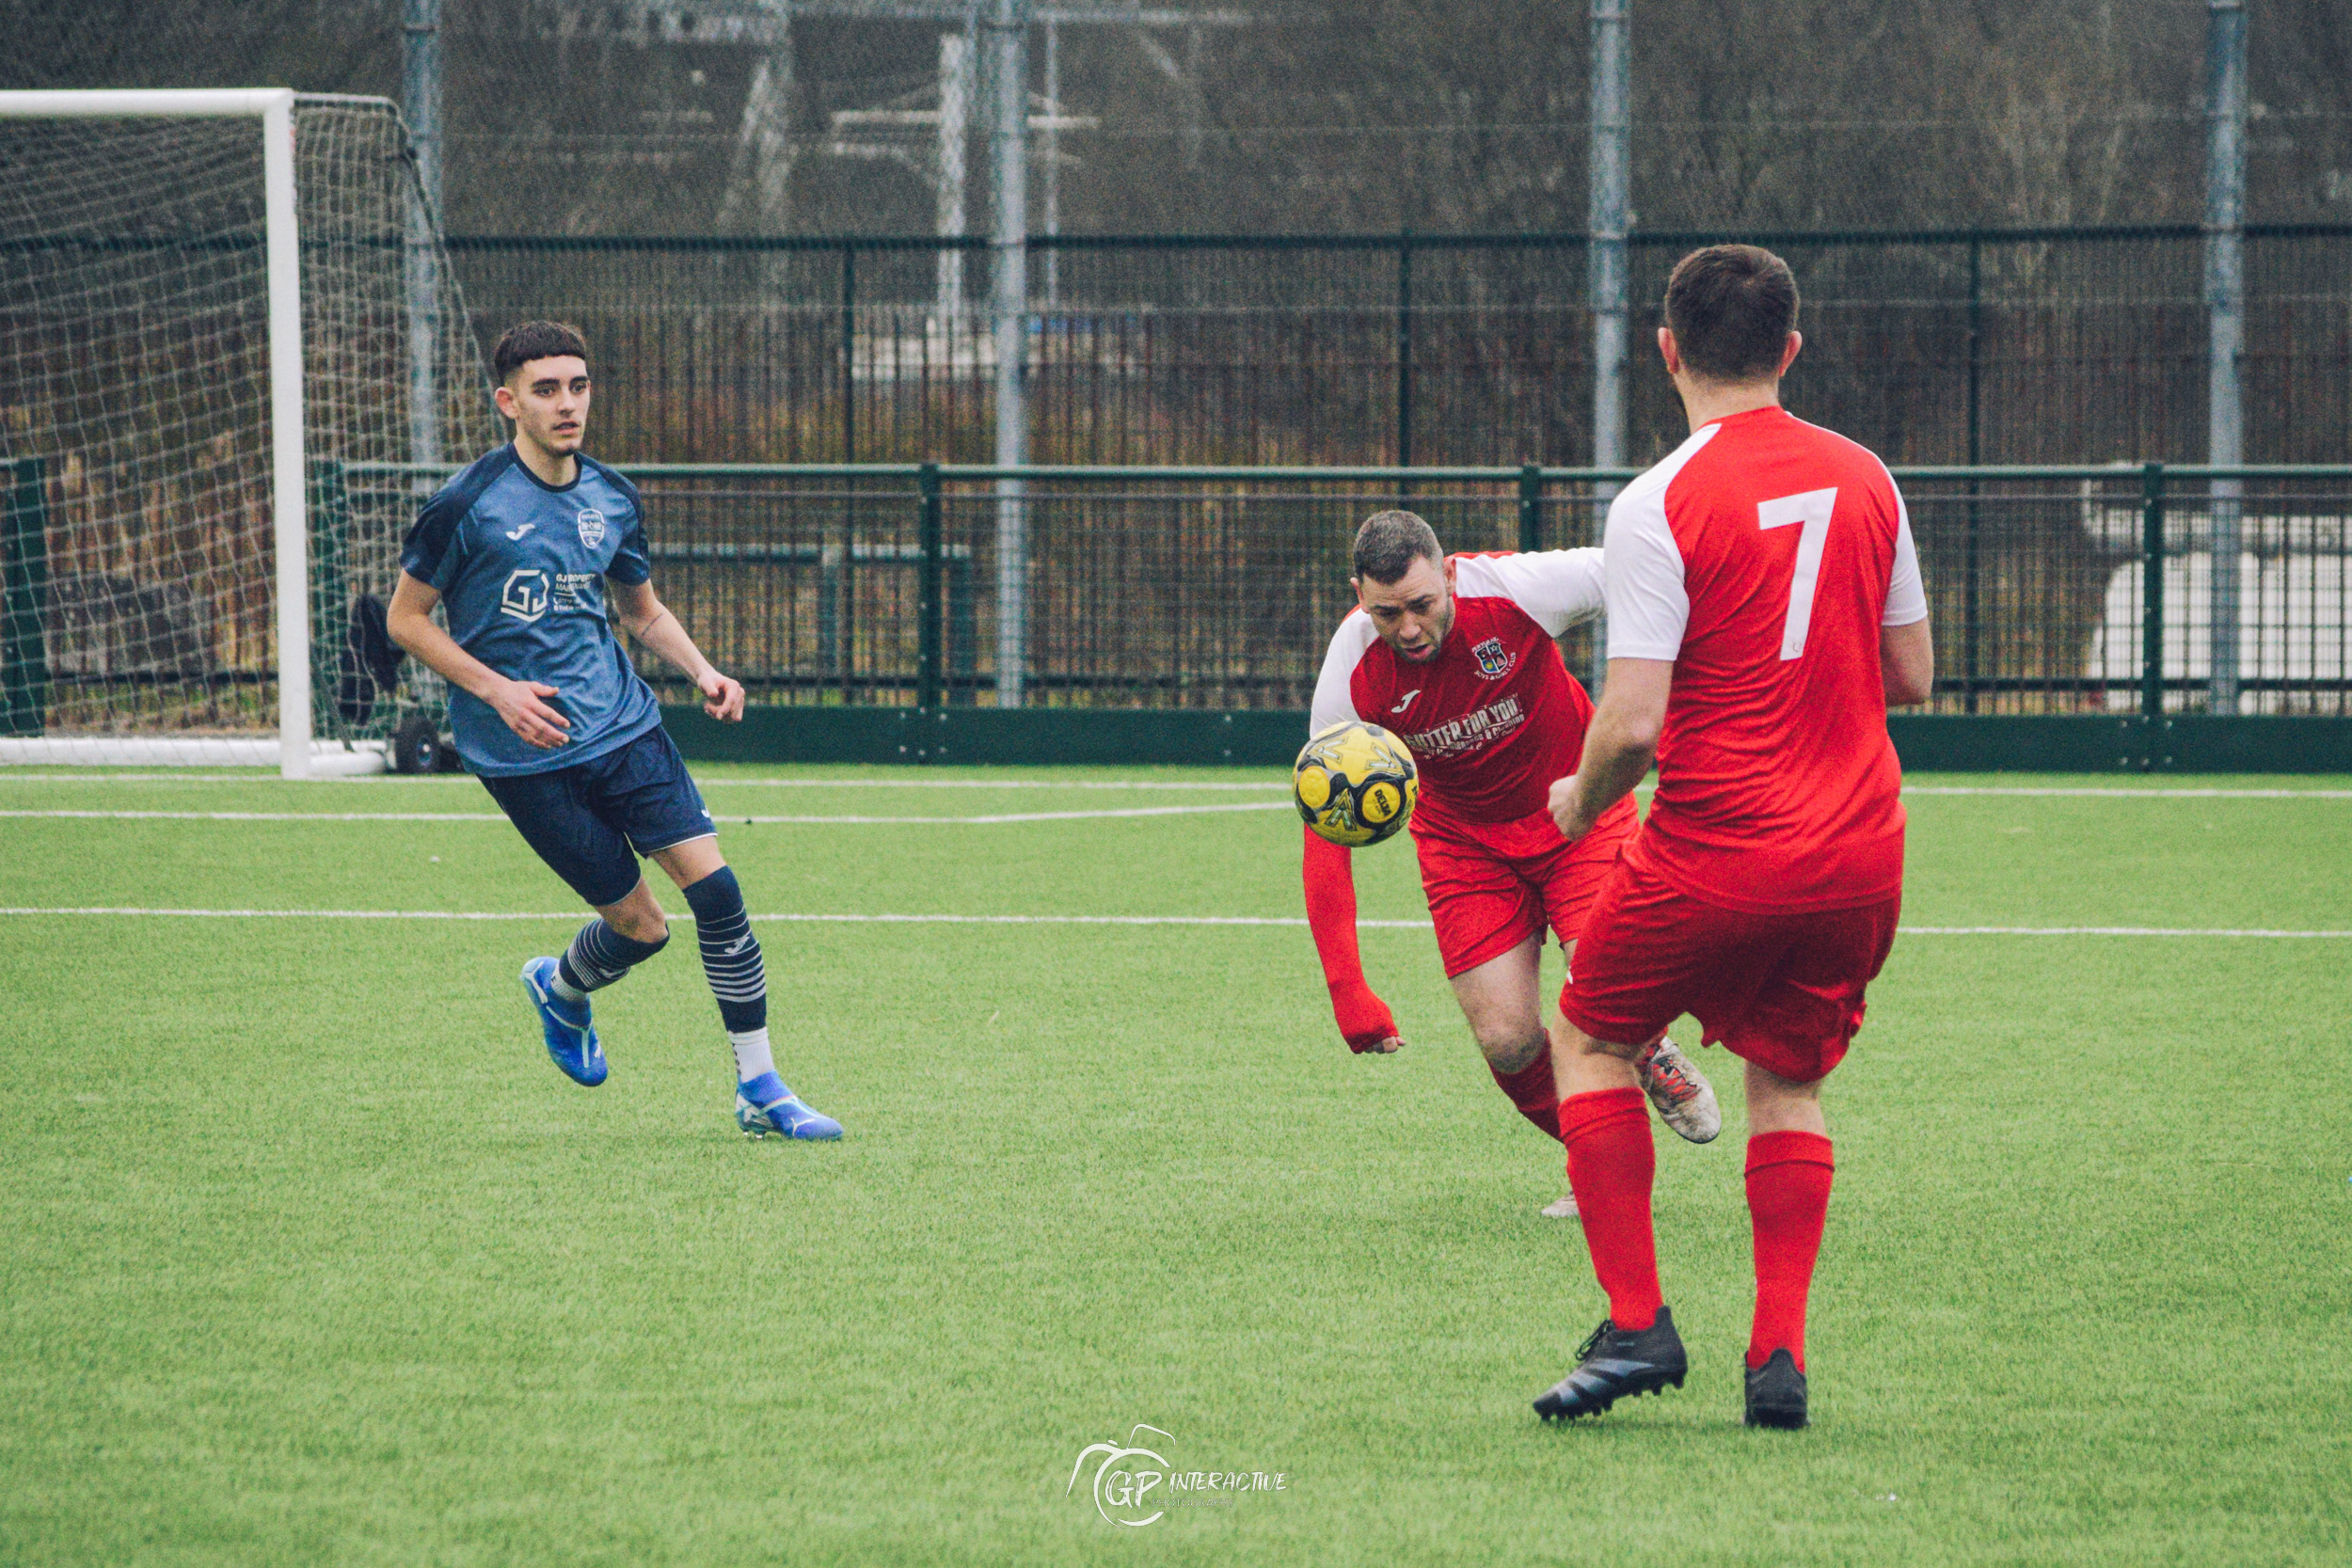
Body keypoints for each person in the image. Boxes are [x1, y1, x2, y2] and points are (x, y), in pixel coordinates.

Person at [1531, 245, 1934, 1429]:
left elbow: (1636, 721)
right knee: (1789, 1076)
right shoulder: (1868, 477)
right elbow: (1912, 672)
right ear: (1790, 350)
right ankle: (1778, 1356)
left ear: (1666, 351)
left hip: (1719, 844)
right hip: (1859, 847)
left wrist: (1578, 799)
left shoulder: (1658, 498)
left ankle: (1639, 1322)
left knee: (1590, 1034)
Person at [385, 320, 841, 1141]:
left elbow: (641, 612)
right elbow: (407, 620)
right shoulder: (465, 504)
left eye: (579, 385)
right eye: (547, 389)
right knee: (644, 927)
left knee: (720, 895)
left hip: (626, 726)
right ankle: (562, 988)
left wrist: (702, 670)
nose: (568, 404)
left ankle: (761, 1085)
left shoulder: (613, 498)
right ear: (508, 402)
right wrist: (498, 692)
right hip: (523, 755)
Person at [1303, 512, 1722, 1217]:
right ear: (1358, 595)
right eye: (1385, 612)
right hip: (1464, 846)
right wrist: (1349, 987)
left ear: (1449, 574)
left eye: (1422, 604)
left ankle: (1648, 1045)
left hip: (1576, 811)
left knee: (1603, 990)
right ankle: (1597, 1160)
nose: (1406, 627)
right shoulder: (1351, 666)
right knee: (1505, 1038)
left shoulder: (1519, 588)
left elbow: (1646, 570)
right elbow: (1325, 829)